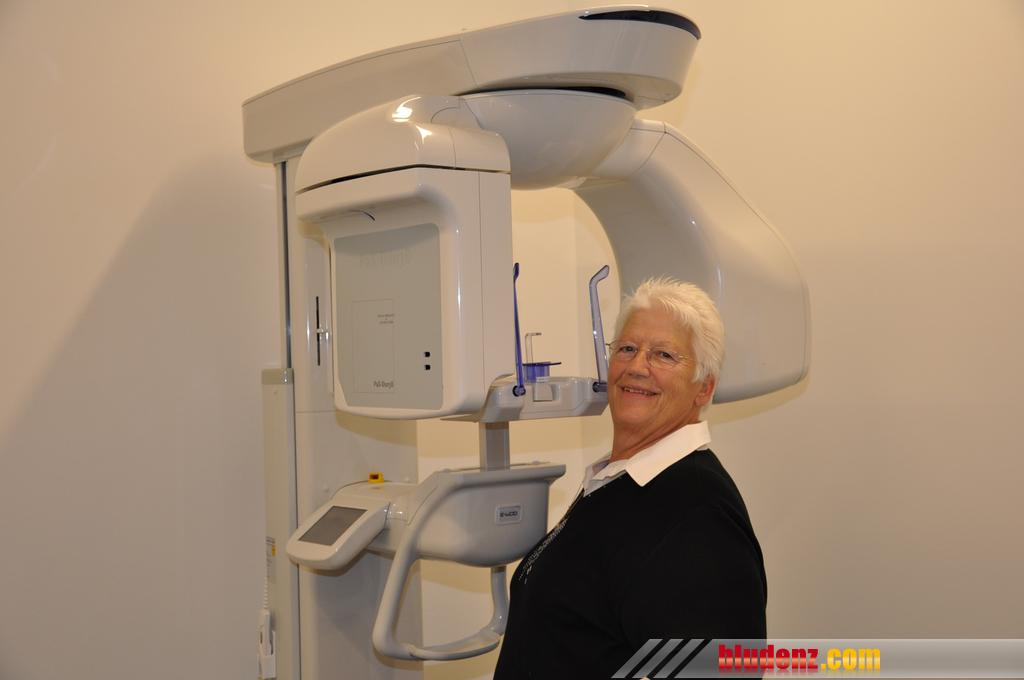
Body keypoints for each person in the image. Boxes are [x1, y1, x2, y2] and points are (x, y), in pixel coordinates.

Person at [493, 278, 766, 679]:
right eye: (627, 348)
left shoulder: (697, 514)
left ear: (704, 389)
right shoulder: (618, 484)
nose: (637, 367)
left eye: (664, 355)